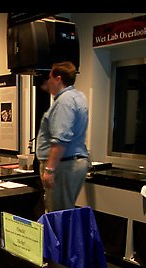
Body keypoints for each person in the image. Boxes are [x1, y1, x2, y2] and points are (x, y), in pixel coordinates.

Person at [36, 61, 91, 212]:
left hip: (63, 165)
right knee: (64, 211)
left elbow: (60, 140)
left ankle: (59, 237)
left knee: (57, 214)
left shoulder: (64, 101)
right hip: (71, 163)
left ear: (58, 78)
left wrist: (49, 169)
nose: (48, 81)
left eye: (50, 77)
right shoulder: (78, 96)